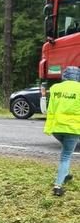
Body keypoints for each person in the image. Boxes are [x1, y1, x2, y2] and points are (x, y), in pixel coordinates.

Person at [44, 66, 80, 196]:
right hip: (72, 128)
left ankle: (66, 174)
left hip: (56, 128)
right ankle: (58, 186)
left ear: (64, 76)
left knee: (66, 153)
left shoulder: (55, 89)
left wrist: (49, 127)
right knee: (65, 156)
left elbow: (51, 109)